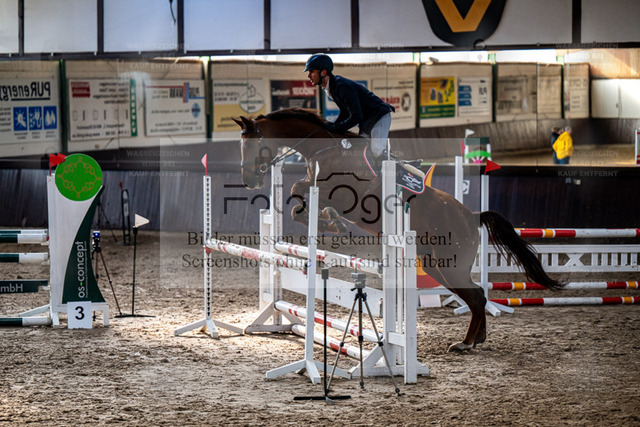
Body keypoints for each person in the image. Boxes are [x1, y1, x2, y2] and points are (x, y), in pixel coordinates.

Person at [304, 53, 395, 167]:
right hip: (367, 121)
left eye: (311, 72)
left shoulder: (342, 87)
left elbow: (356, 116)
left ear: (323, 72)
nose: (309, 76)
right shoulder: (332, 87)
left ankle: (393, 173)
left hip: (379, 116)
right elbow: (346, 112)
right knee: (361, 149)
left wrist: (335, 128)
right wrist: (332, 127)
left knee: (377, 150)